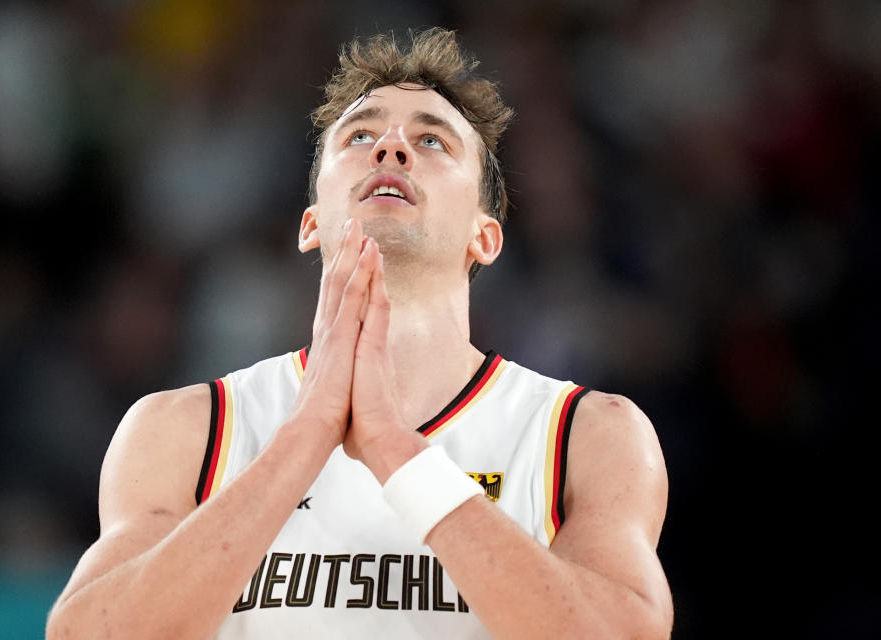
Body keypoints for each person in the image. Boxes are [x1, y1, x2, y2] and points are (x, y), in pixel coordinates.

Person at [46, 28, 672, 639]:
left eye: (432, 140)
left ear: (485, 236)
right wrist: (306, 434)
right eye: (361, 135)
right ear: (310, 224)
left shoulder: (586, 433)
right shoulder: (187, 428)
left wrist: (394, 449)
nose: (391, 148)